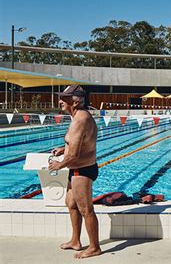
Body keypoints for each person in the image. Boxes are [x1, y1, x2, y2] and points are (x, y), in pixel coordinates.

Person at [48, 85, 101, 259]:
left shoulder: (80, 120)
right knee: (71, 204)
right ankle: (75, 241)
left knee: (86, 209)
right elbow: (78, 144)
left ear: (76, 101)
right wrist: (62, 150)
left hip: (81, 170)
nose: (61, 101)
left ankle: (94, 247)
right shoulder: (79, 116)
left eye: (65, 98)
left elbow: (75, 154)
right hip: (78, 168)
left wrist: (59, 165)